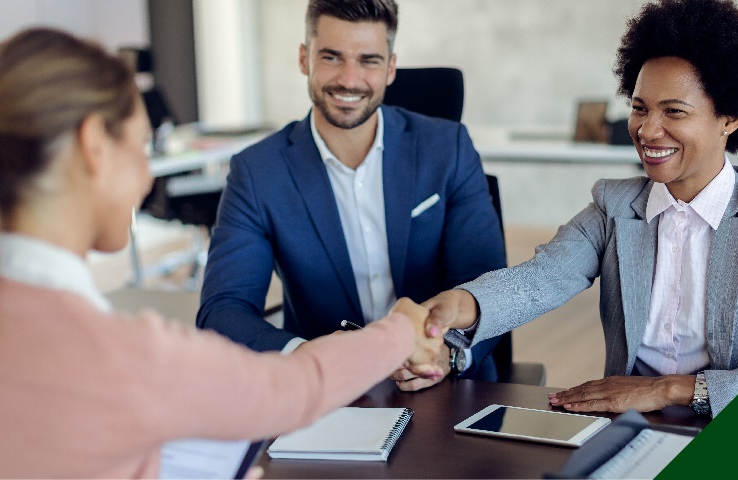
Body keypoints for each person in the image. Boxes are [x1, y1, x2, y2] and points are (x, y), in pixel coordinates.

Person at [0, 28, 444, 478]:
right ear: (94, 145)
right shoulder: (122, 356)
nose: (147, 177)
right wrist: (399, 330)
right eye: (143, 147)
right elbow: (295, 389)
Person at [423, 0, 738, 417]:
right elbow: (539, 280)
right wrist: (457, 307)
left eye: (673, 111)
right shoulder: (614, 205)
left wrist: (673, 389)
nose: (647, 130)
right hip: (628, 425)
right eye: (639, 108)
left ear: (729, 118)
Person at [197, 0, 507, 391]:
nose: (349, 79)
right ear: (304, 57)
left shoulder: (448, 148)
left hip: (448, 388)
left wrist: (448, 352)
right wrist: (309, 357)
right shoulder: (257, 172)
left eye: (368, 60)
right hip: (326, 392)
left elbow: (492, 286)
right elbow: (223, 310)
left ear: (391, 67)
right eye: (331, 57)